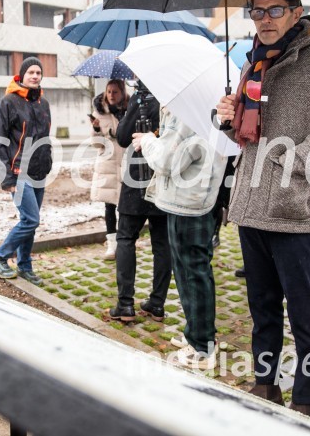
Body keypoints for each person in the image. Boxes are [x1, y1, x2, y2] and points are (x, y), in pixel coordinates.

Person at [215, 0, 310, 419]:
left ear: (297, 12)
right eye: (256, 12)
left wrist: (288, 158)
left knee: (303, 312)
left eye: (274, 11)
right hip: (250, 204)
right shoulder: (253, 62)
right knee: (262, 307)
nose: (264, 20)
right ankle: (265, 383)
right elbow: (249, 134)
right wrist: (228, 118)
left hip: (294, 207)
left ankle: (307, 399)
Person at [133, 107, 227, 368]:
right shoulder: (199, 105)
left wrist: (148, 141)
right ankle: (198, 334)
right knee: (193, 271)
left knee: (192, 273)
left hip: (189, 201)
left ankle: (202, 347)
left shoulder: (189, 110)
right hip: (194, 197)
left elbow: (168, 161)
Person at [108, 81, 171, 323]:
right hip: (163, 178)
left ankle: (125, 304)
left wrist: (133, 105)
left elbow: (123, 137)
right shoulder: (170, 96)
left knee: (125, 238)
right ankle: (157, 302)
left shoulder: (141, 98)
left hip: (137, 179)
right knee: (162, 244)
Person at [0, 57, 52, 286]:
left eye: (38, 72)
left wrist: (48, 160)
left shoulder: (43, 104)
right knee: (31, 220)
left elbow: (45, 137)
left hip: (39, 173)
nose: (35, 76)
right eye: (31, 72)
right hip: (19, 173)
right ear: (22, 75)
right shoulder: (8, 102)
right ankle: (0, 257)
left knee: (29, 221)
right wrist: (7, 178)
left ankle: (25, 266)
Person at [89, 80, 129, 261]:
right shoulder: (99, 112)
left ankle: (125, 242)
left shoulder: (130, 110)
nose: (111, 95)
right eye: (109, 91)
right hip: (108, 164)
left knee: (126, 206)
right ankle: (112, 245)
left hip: (126, 163)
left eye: (115, 92)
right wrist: (97, 129)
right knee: (109, 205)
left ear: (122, 93)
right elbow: (96, 144)